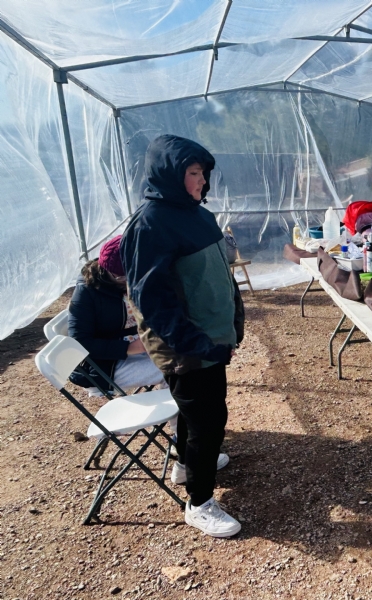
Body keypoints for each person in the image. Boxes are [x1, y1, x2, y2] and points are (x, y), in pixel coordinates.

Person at [121, 134, 245, 538]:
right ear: (171, 174)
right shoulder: (151, 223)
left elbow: (218, 271)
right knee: (209, 419)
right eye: (193, 173)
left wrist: (233, 319)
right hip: (186, 343)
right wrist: (194, 343)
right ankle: (199, 502)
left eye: (204, 173)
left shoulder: (196, 212)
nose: (202, 181)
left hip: (211, 337)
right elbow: (151, 299)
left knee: (200, 414)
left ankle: (184, 465)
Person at [68, 235, 166, 396]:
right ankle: (182, 421)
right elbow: (79, 342)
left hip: (145, 347)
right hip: (107, 365)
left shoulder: (138, 275)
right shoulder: (87, 291)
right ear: (113, 274)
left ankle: (183, 419)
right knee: (178, 369)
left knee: (188, 358)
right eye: (129, 277)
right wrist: (131, 347)